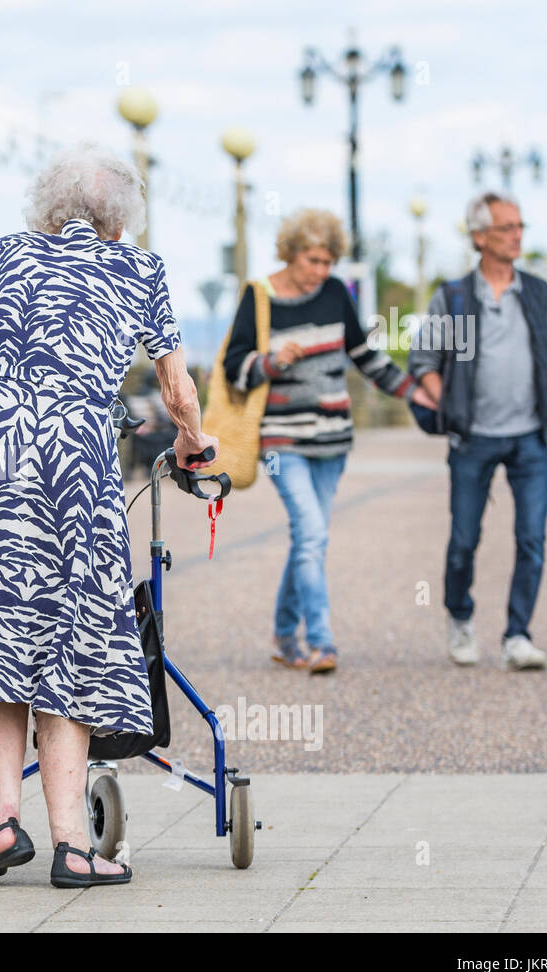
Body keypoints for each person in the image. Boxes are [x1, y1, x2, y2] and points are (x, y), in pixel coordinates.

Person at [0, 142, 216, 888]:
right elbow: (176, 389)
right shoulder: (139, 268)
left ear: (50, 206)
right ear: (121, 215)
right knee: (70, 636)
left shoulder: (11, 255)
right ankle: (71, 847)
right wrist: (195, 440)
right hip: (71, 458)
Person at [223, 209, 432, 674]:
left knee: (309, 539)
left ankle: (283, 635)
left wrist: (415, 393)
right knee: (312, 533)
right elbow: (233, 367)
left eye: (328, 261)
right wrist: (272, 362)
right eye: (312, 260)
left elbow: (364, 356)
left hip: (333, 439)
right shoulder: (260, 296)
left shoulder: (336, 292)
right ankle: (321, 643)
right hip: (282, 441)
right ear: (291, 253)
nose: (321, 270)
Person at [411, 192, 547, 670]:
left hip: (530, 436)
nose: (517, 235)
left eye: (520, 226)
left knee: (532, 537)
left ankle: (518, 635)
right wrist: (447, 402)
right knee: (465, 539)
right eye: (507, 227)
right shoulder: (454, 297)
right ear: (479, 237)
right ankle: (460, 615)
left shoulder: (537, 292)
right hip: (472, 439)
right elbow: (423, 361)